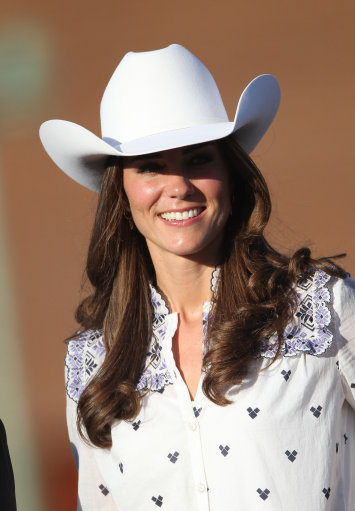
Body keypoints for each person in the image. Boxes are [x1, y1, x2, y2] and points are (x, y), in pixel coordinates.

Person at [39, 44, 355, 511]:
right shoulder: (93, 364)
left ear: (230, 172)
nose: (178, 187)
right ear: (121, 195)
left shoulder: (320, 307)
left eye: (198, 159)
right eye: (150, 167)